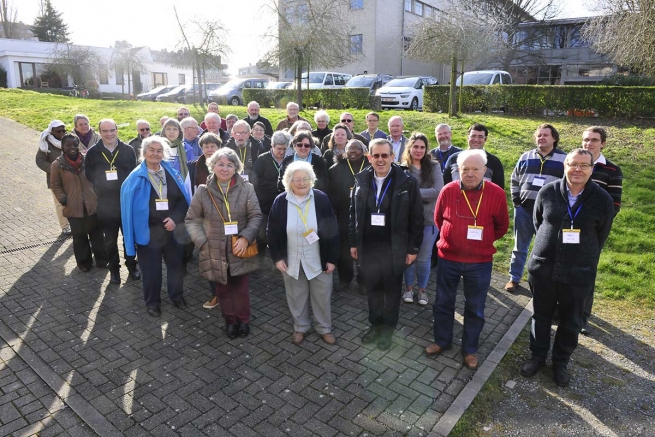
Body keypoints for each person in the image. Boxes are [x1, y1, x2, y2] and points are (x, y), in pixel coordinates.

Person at [520, 149, 614, 387]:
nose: (578, 170)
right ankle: (537, 356)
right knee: (540, 316)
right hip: (544, 268)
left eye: (584, 165)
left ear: (592, 169)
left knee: (571, 321)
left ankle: (560, 362)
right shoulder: (548, 192)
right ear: (565, 166)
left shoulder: (602, 199)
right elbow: (538, 222)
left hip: (578, 272)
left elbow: (601, 234)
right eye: (573, 164)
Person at [425, 150, 509, 370]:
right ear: (458, 170)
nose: (470, 174)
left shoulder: (497, 193)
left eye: (475, 169)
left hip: (479, 262)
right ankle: (442, 341)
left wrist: (481, 242)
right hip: (449, 258)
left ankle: (470, 349)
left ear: (484, 170)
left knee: (475, 307)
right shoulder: (448, 190)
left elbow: (501, 226)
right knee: (443, 302)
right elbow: (438, 218)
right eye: (465, 169)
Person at [349, 138, 423, 350]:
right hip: (369, 248)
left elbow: (417, 219)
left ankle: (387, 331)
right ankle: (375, 325)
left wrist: (413, 249)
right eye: (376, 156)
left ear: (393, 157)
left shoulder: (406, 182)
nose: (380, 160)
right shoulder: (361, 180)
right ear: (369, 157)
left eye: (384, 155)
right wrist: (354, 242)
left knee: (391, 292)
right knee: (372, 289)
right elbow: (353, 213)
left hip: (395, 248)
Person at [186, 148, 262, 339]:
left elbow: (255, 216)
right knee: (223, 289)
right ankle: (230, 321)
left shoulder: (247, 188)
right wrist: (203, 243)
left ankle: (243, 320)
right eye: (220, 164)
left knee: (241, 288)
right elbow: (192, 220)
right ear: (213, 166)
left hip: (240, 248)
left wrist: (246, 237)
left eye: (230, 165)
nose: (225, 168)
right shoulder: (203, 192)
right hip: (215, 250)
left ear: (236, 167)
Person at [267, 161, 339, 345]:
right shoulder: (280, 201)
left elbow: (332, 229)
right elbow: (273, 232)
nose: (301, 183)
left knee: (322, 296)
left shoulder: (321, 198)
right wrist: (277, 258)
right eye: (296, 179)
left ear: (311, 180)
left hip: (317, 259)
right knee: (295, 296)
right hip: (292, 260)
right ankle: (300, 327)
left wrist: (331, 259)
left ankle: (324, 328)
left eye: (305, 179)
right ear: (288, 181)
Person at [121, 137, 191, 318]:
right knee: (151, 271)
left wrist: (175, 218)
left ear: (164, 153)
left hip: (172, 231)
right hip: (148, 233)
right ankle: (152, 302)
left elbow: (183, 200)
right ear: (144, 153)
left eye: (159, 150)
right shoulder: (134, 178)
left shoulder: (172, 173)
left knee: (176, 267)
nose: (155, 153)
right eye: (151, 150)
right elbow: (129, 210)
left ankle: (177, 296)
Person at [505, 124, 566, 293]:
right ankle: (514, 279)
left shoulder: (564, 159)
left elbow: (568, 185)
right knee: (520, 247)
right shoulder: (526, 156)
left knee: (546, 249)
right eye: (539, 135)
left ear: (554, 138)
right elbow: (514, 179)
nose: (541, 138)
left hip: (549, 214)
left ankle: (541, 283)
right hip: (524, 210)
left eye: (545, 135)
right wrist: (516, 201)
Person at [580, 126, 623, 335]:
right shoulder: (573, 163)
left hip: (592, 233)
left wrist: (591, 227)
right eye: (586, 139)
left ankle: (582, 317)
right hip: (567, 229)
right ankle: (561, 311)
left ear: (603, 143)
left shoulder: (612, 170)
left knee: (587, 272)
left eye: (594, 140)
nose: (589, 143)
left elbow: (614, 205)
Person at [85, 119, 139, 284]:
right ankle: (114, 270)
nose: (109, 134)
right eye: (105, 131)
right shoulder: (93, 152)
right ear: (99, 132)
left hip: (126, 202)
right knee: (109, 240)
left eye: (112, 130)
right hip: (106, 204)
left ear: (117, 130)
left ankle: (132, 266)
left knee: (129, 238)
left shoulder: (128, 150)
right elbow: (89, 175)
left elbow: (134, 173)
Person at [50, 134, 107, 271]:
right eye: (68, 145)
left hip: (92, 205)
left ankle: (102, 261)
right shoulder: (57, 165)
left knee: (97, 235)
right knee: (80, 237)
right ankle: (84, 264)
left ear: (79, 145)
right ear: (63, 147)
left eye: (75, 144)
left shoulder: (88, 160)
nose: (72, 148)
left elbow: (98, 178)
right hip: (73, 207)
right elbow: (55, 185)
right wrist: (64, 199)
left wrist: (98, 195)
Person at [400, 133, 444, 306]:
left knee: (424, 258)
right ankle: (409, 288)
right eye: (415, 146)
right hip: (407, 221)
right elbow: (401, 193)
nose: (418, 150)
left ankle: (423, 290)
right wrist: (425, 193)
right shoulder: (402, 168)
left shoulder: (434, 166)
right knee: (409, 256)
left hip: (428, 221)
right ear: (409, 148)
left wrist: (413, 193)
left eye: (422, 147)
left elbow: (438, 191)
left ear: (426, 149)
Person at [328, 139, 370, 293]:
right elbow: (330, 192)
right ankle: (345, 279)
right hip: (343, 215)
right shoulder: (335, 168)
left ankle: (364, 281)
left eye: (356, 148)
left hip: (365, 215)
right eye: (350, 149)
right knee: (344, 250)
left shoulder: (369, 167)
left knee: (364, 250)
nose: (353, 151)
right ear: (344, 151)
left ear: (363, 150)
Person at [251, 130, 290, 270]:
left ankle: (282, 263)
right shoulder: (262, 159)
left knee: (283, 235)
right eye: (279, 149)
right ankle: (258, 264)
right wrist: (277, 185)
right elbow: (255, 180)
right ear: (272, 146)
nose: (281, 152)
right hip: (265, 204)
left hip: (285, 205)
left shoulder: (290, 159)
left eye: (284, 149)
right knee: (262, 235)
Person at [443, 124, 505, 189]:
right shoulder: (453, 159)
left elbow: (499, 190)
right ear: (467, 137)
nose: (476, 139)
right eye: (473, 136)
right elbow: (445, 186)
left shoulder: (494, 162)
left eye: (480, 137)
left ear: (485, 139)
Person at [36, 120, 71, 235]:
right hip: (55, 179)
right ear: (51, 132)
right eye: (58, 131)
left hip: (70, 177)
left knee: (72, 201)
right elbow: (39, 160)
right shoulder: (45, 143)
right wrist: (54, 169)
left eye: (63, 130)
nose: (61, 133)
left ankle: (74, 223)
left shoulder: (68, 140)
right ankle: (65, 226)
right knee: (60, 203)